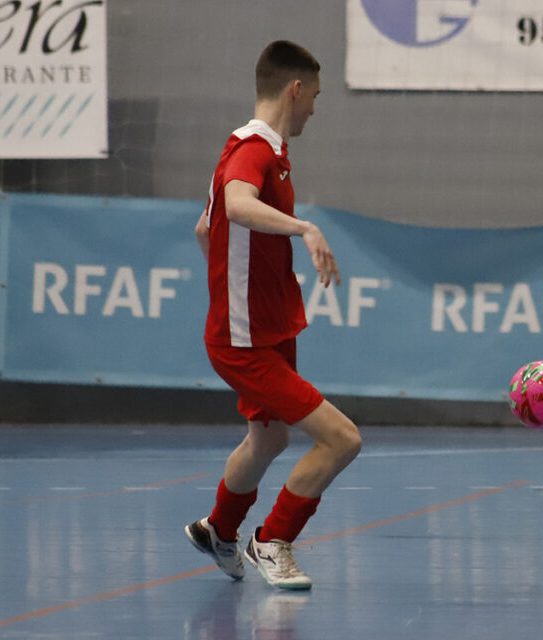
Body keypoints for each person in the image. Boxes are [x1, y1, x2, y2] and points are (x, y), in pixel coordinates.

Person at [185, 40, 362, 589]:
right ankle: (272, 540)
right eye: (314, 96)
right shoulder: (254, 150)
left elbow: (204, 229)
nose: (314, 107)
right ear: (296, 89)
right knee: (342, 439)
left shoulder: (263, 149)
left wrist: (239, 285)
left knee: (269, 439)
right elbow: (235, 206)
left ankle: (219, 529)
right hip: (243, 341)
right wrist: (305, 228)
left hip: (262, 326)